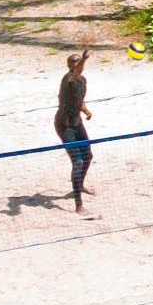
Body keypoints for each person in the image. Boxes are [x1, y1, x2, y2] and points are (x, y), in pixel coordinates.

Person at [55, 46, 94, 212]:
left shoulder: (82, 80)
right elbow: (76, 74)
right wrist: (84, 60)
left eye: (79, 61)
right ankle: (78, 204)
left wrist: (85, 110)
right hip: (65, 125)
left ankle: (79, 186)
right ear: (70, 66)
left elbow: (80, 98)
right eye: (76, 63)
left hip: (77, 122)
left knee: (88, 156)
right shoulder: (68, 78)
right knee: (77, 161)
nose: (78, 65)